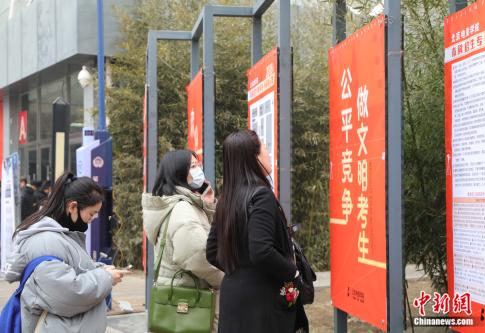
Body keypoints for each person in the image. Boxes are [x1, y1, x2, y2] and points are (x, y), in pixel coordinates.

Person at [206, 130, 308, 333]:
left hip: (232, 297)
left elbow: (211, 250)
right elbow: (261, 250)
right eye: (265, 148)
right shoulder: (261, 196)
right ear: (254, 158)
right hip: (262, 302)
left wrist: (240, 271)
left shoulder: (227, 199)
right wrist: (293, 272)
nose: (268, 153)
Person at [5, 171, 128, 332]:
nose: (92, 219)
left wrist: (100, 269)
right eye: (91, 214)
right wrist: (106, 277)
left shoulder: (60, 237)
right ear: (72, 207)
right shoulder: (45, 242)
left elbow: (73, 271)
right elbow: (69, 294)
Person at [142, 150, 224, 332]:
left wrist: (207, 205)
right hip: (189, 296)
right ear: (178, 173)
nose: (199, 170)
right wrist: (224, 277)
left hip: (177, 291)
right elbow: (198, 257)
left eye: (198, 165)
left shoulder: (175, 204)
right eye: (193, 166)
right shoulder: (183, 210)